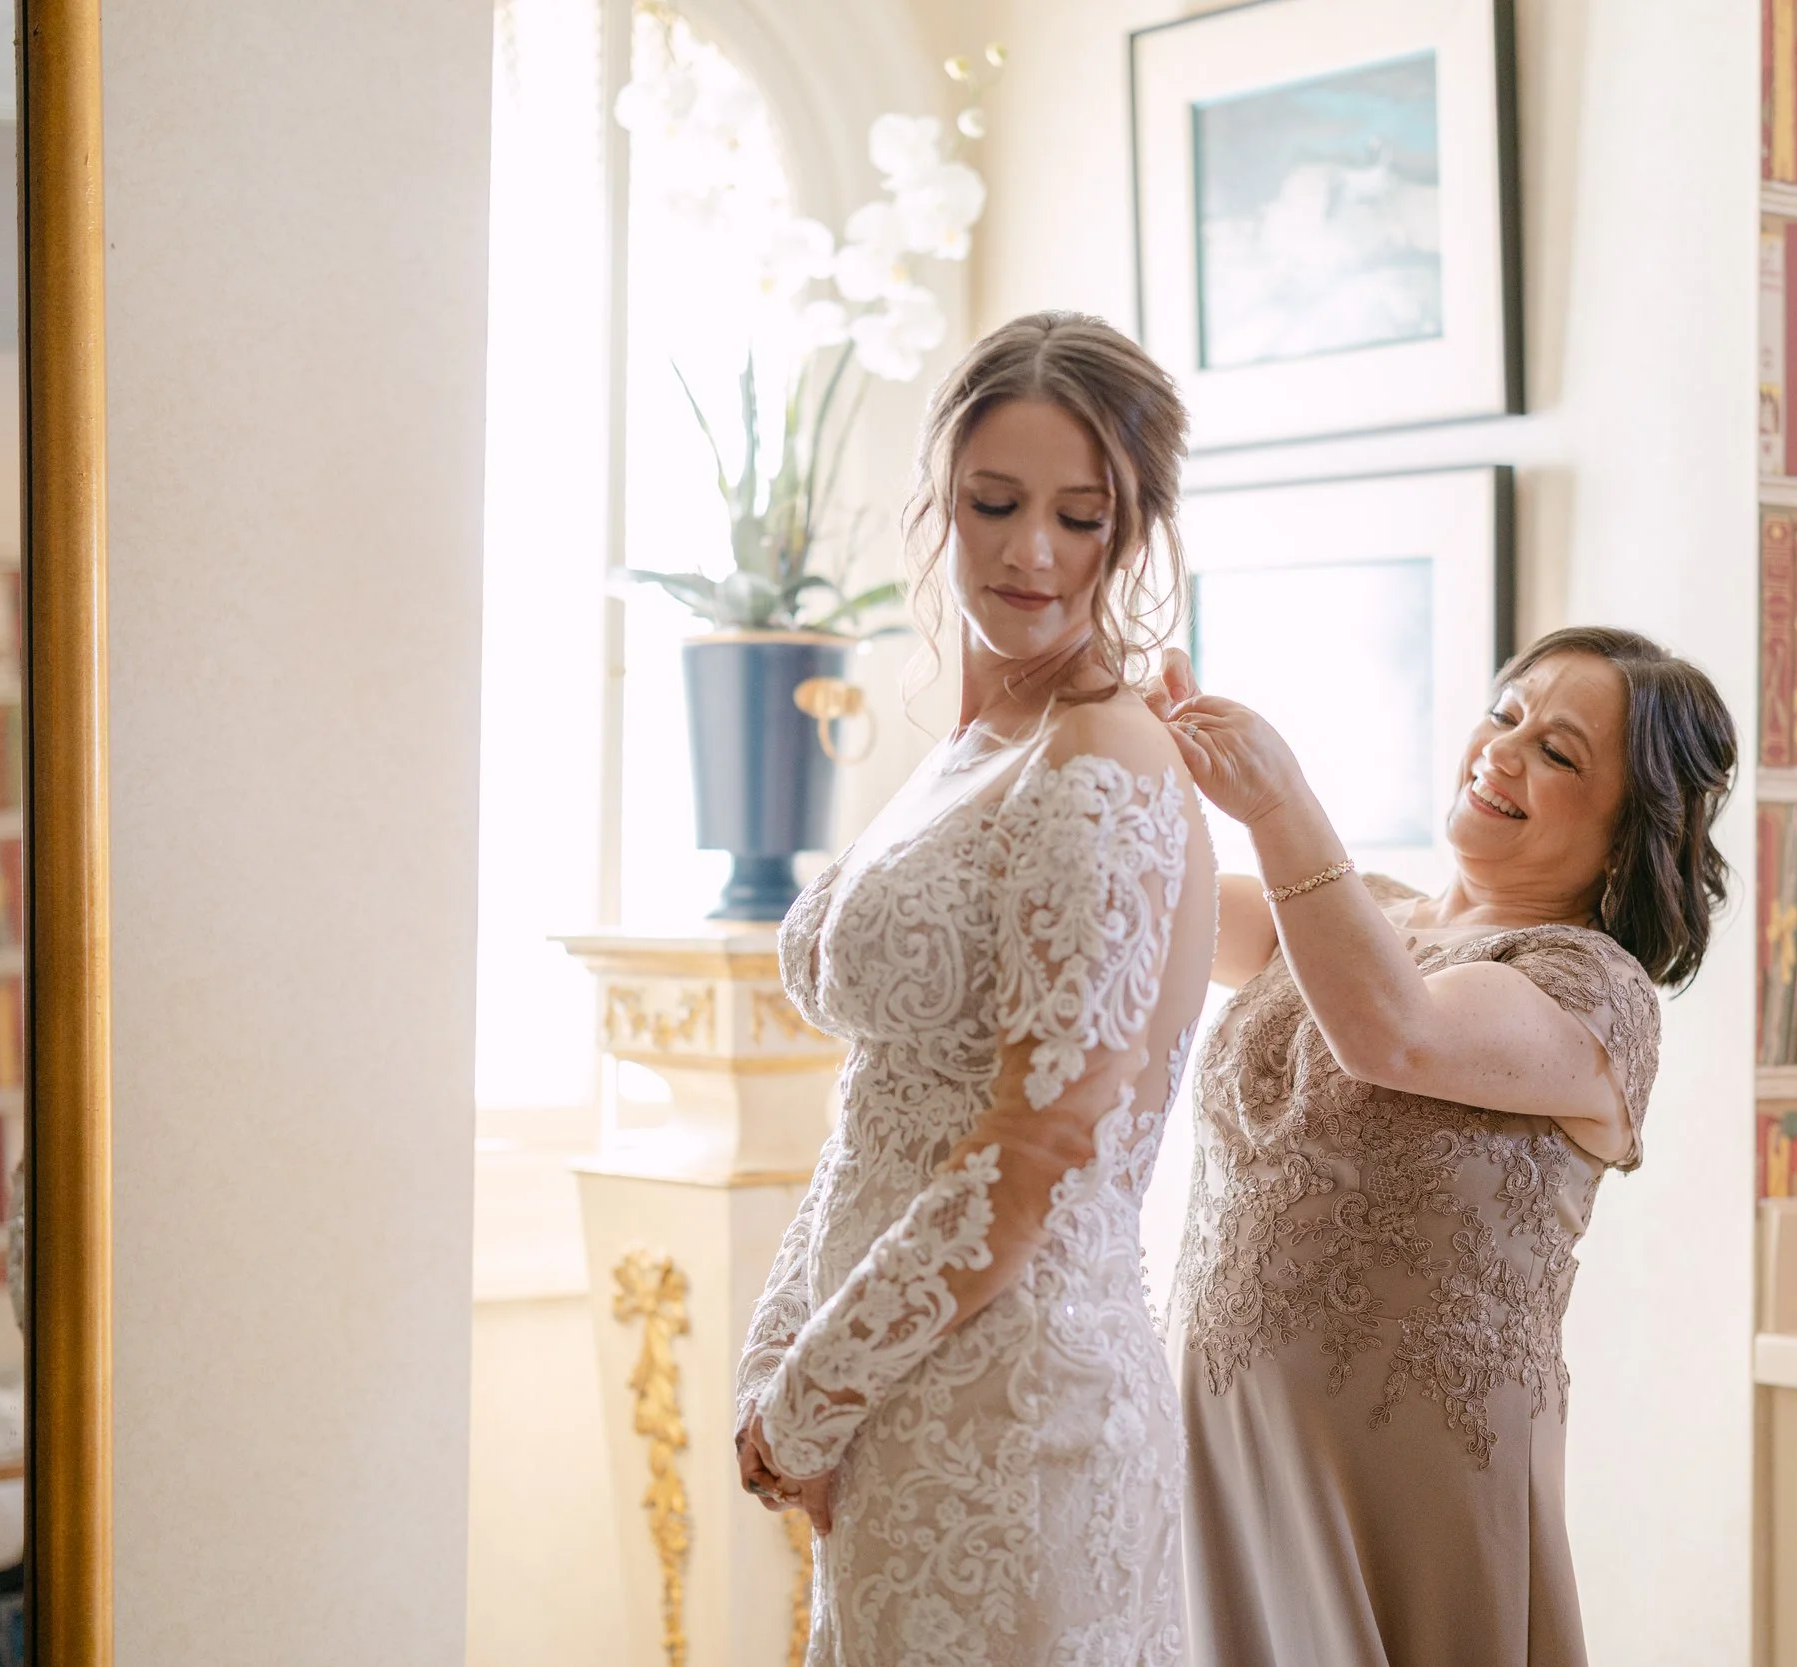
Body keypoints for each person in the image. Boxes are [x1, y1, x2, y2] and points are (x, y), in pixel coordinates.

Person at [732, 312, 1216, 1665]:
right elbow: (882, 1110)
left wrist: (814, 1391)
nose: (1032, 551)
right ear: (939, 494)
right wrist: (788, 1358)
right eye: (994, 503)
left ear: (1133, 534)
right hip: (909, 1394)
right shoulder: (974, 745)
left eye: (1081, 514)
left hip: (1018, 1411)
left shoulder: (1105, 754)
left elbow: (1043, 1145)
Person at [1156, 626, 1735, 1667]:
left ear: (1623, 834)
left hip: (1404, 1479)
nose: (1503, 750)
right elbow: (1150, 906)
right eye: (1506, 713)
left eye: (1558, 752)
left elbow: (1395, 1030)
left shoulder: (1594, 988)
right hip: (1215, 1433)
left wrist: (1281, 800)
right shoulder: (1360, 910)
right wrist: (1127, 737)